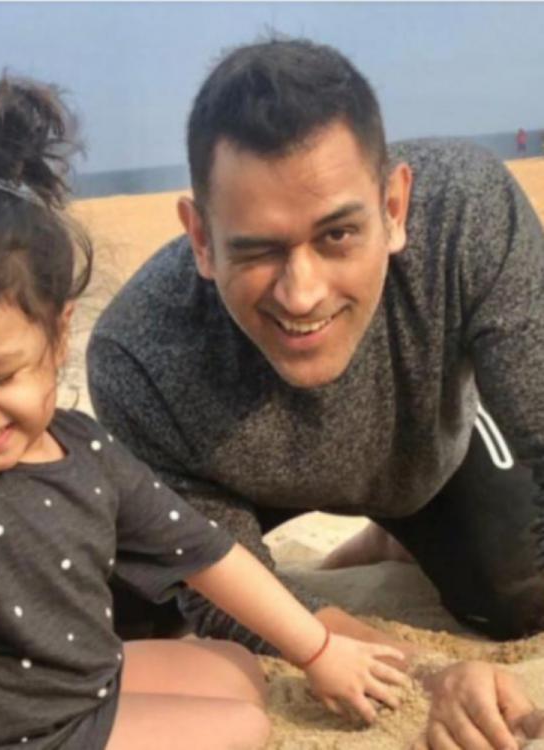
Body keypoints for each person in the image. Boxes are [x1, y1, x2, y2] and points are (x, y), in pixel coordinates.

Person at [0, 62, 412, 750]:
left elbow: (207, 555)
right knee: (243, 729)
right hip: (13, 733)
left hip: (81, 679)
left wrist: (319, 650)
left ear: (57, 333)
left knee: (239, 669)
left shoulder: (82, 448)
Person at [87, 37, 544, 748]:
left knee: (519, 597)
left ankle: (392, 531)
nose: (301, 294)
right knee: (128, 604)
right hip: (238, 482)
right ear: (201, 238)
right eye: (257, 249)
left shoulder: (467, 213)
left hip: (426, 454)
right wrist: (427, 677)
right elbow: (218, 594)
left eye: (337, 235)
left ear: (394, 206)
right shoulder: (139, 354)